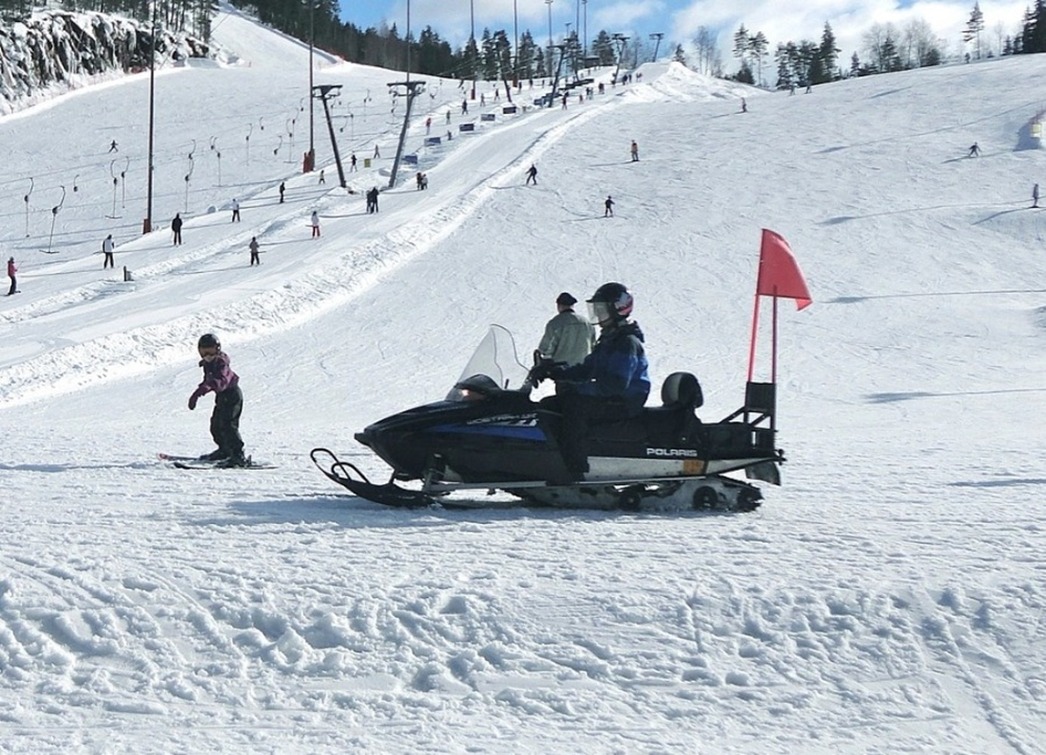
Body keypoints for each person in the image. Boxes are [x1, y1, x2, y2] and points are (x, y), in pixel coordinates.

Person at [534, 283, 650, 480]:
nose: (598, 315)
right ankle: (549, 460)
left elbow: (615, 384)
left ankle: (575, 468)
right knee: (549, 405)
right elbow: (587, 368)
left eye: (602, 310)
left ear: (618, 309)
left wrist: (579, 389)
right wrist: (557, 371)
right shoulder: (609, 339)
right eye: (596, 310)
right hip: (612, 395)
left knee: (574, 406)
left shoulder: (626, 342)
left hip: (625, 401)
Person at [188, 333, 248, 467]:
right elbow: (208, 380)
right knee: (215, 425)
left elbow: (221, 381)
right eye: (204, 352)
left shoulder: (221, 363)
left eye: (211, 351)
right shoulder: (208, 364)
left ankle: (238, 455)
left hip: (232, 395)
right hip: (222, 396)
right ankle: (225, 451)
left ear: (218, 349)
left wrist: (204, 389)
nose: (207, 356)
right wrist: (198, 391)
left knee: (228, 426)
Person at [537, 292, 595, 369]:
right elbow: (593, 346)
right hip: (583, 369)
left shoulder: (555, 323)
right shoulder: (586, 323)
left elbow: (546, 348)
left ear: (559, 305)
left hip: (561, 370)